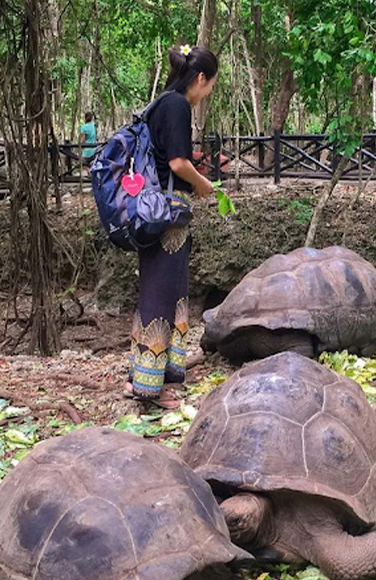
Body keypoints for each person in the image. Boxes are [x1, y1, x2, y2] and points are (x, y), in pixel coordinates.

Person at [125, 45, 218, 409]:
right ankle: (150, 388)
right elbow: (178, 163)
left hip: (152, 212)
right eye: (209, 85)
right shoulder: (177, 106)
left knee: (158, 288)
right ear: (199, 78)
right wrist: (203, 184)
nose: (207, 93)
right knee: (161, 293)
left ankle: (146, 378)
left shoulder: (160, 103)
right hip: (167, 215)